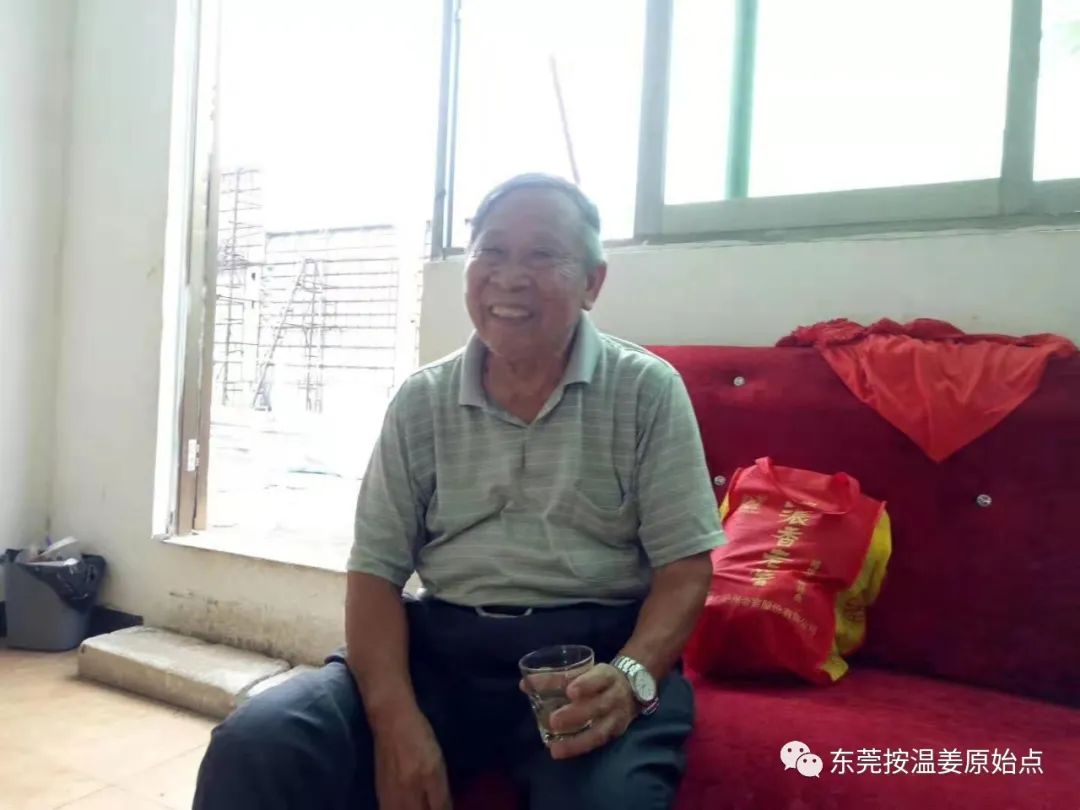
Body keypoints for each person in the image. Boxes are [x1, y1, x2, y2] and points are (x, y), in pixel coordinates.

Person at [194, 174, 725, 810]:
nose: (510, 277)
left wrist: (631, 675)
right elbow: (375, 573)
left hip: (592, 659)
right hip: (441, 654)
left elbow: (685, 568)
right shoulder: (422, 401)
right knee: (256, 742)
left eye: (542, 254)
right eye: (491, 251)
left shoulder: (646, 391)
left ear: (592, 283)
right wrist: (395, 721)